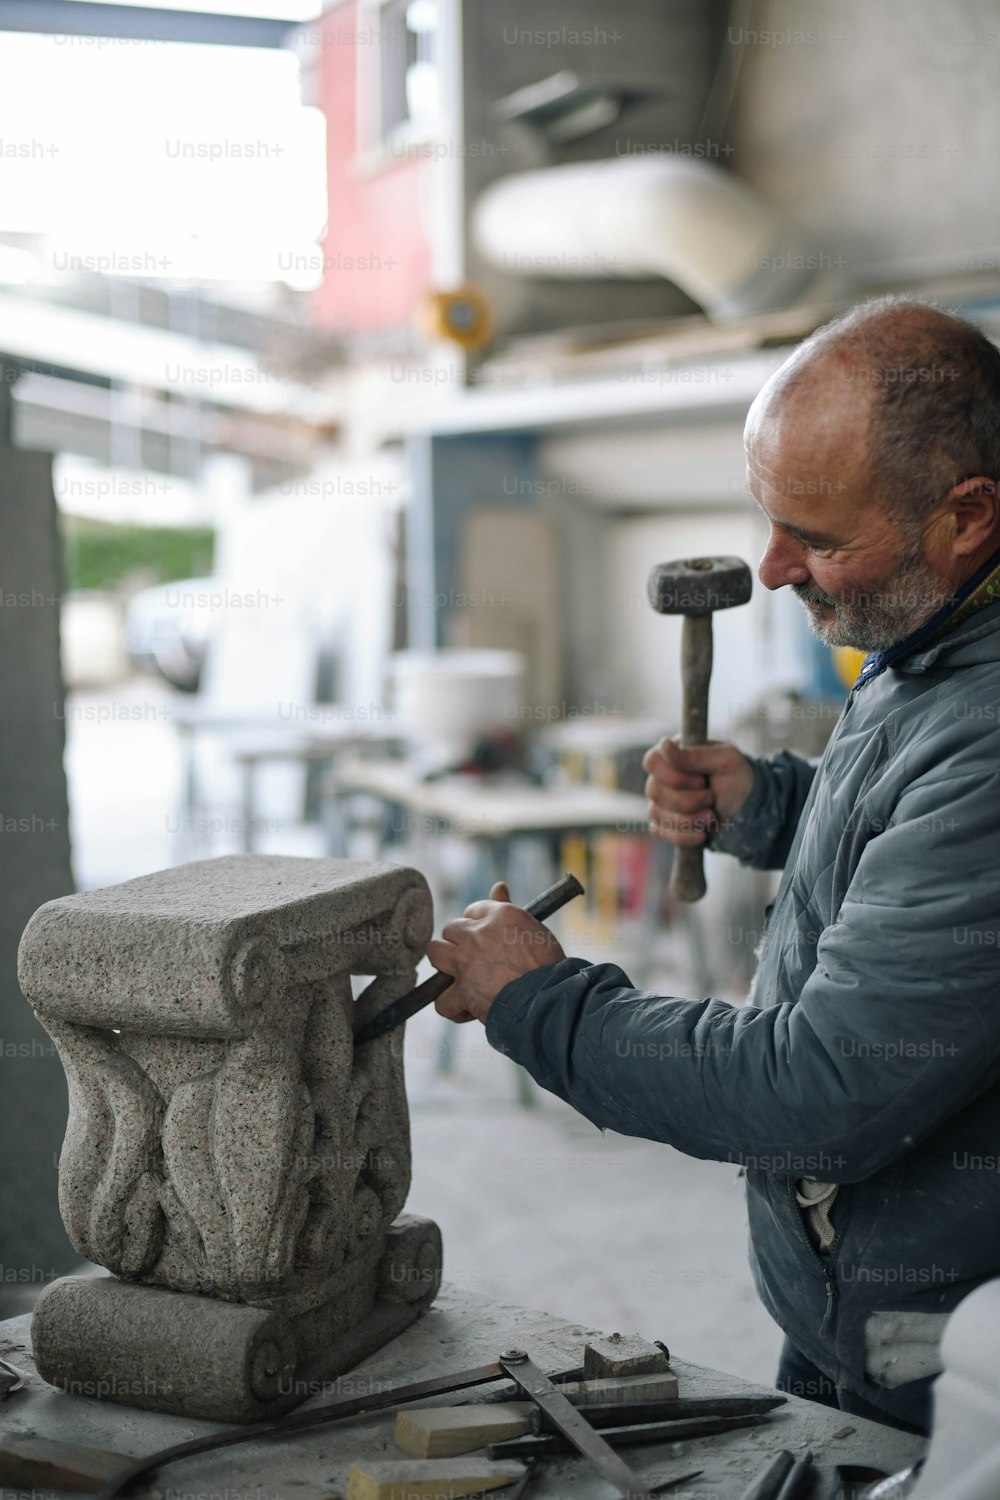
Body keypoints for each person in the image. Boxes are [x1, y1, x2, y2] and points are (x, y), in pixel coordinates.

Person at [426, 298, 1000, 1435]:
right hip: (845, 1312)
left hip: (938, 1369)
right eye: (769, 520)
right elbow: (907, 826)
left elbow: (817, 1091)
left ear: (967, 516)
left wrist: (548, 1004)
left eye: (820, 539)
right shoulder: (927, 633)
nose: (775, 567)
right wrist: (772, 801)